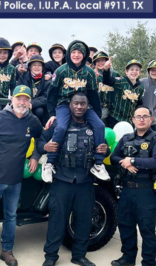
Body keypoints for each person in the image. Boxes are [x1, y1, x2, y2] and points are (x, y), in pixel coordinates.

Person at [37, 92, 110, 266]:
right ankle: (50, 257)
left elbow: (104, 150)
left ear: (87, 106)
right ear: (70, 105)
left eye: (82, 104)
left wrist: (106, 151)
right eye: (76, 103)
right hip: (62, 180)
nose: (79, 107)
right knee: (57, 221)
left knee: (84, 220)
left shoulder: (93, 126)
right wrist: (44, 147)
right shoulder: (58, 125)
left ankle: (79, 256)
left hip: (85, 181)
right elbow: (40, 142)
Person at [0, 85, 43, 266]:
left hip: (15, 179)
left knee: (11, 217)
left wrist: (36, 156)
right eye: (19, 98)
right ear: (11, 99)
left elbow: (42, 138)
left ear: (30, 102)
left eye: (26, 99)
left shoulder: (33, 120)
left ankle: (6, 251)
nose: (22, 102)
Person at [110, 106, 156, 266]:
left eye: (145, 116)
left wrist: (133, 160)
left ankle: (148, 264)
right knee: (126, 225)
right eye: (138, 117)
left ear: (151, 119)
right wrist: (124, 162)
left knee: (146, 229)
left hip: (147, 191)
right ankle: (128, 257)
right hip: (127, 189)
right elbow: (114, 157)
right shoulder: (126, 138)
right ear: (133, 120)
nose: (141, 119)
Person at [43, 40, 109, 183]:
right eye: (73, 52)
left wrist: (96, 115)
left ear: (84, 55)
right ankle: (49, 163)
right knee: (60, 127)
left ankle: (98, 164)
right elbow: (52, 94)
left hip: (84, 106)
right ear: (69, 54)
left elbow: (93, 95)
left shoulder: (90, 73)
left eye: (80, 52)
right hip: (64, 104)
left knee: (100, 126)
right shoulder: (60, 71)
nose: (76, 55)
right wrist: (51, 114)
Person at [102, 59, 145, 129]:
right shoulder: (121, 81)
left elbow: (139, 104)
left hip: (130, 122)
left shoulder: (140, 87)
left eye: (137, 70)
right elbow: (107, 81)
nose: (134, 71)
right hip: (115, 119)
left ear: (140, 73)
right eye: (132, 69)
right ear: (126, 71)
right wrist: (106, 70)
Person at [17, 54, 51, 124]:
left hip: (40, 110)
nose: (37, 67)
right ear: (30, 67)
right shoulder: (23, 78)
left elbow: (46, 97)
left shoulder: (47, 81)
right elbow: (17, 92)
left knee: (39, 111)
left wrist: (32, 103)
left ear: (42, 67)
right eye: (34, 65)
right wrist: (26, 103)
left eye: (39, 65)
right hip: (23, 105)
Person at [92, 51, 119, 121]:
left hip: (114, 108)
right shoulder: (92, 74)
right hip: (99, 108)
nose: (100, 63)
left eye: (102, 60)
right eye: (97, 61)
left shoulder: (115, 74)